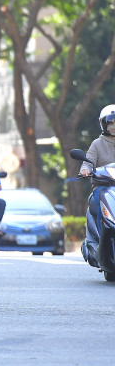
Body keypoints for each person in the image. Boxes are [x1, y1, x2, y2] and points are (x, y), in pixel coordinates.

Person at [79, 105, 115, 265]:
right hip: (103, 187)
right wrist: (86, 170)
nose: (113, 126)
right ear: (104, 125)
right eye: (110, 123)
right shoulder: (97, 144)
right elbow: (88, 162)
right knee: (102, 202)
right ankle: (102, 239)